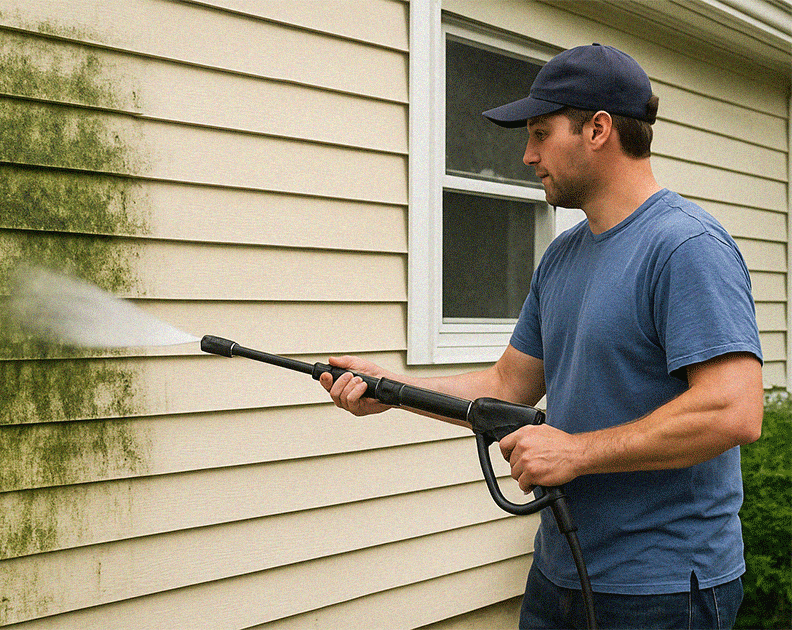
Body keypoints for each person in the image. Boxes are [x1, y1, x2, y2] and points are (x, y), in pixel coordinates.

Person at [320, 43, 763, 629]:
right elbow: (508, 386)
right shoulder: (562, 257)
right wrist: (391, 388)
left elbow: (734, 411)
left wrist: (577, 451)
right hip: (559, 573)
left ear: (598, 129)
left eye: (539, 132)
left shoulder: (685, 247)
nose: (527, 156)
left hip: (661, 591)